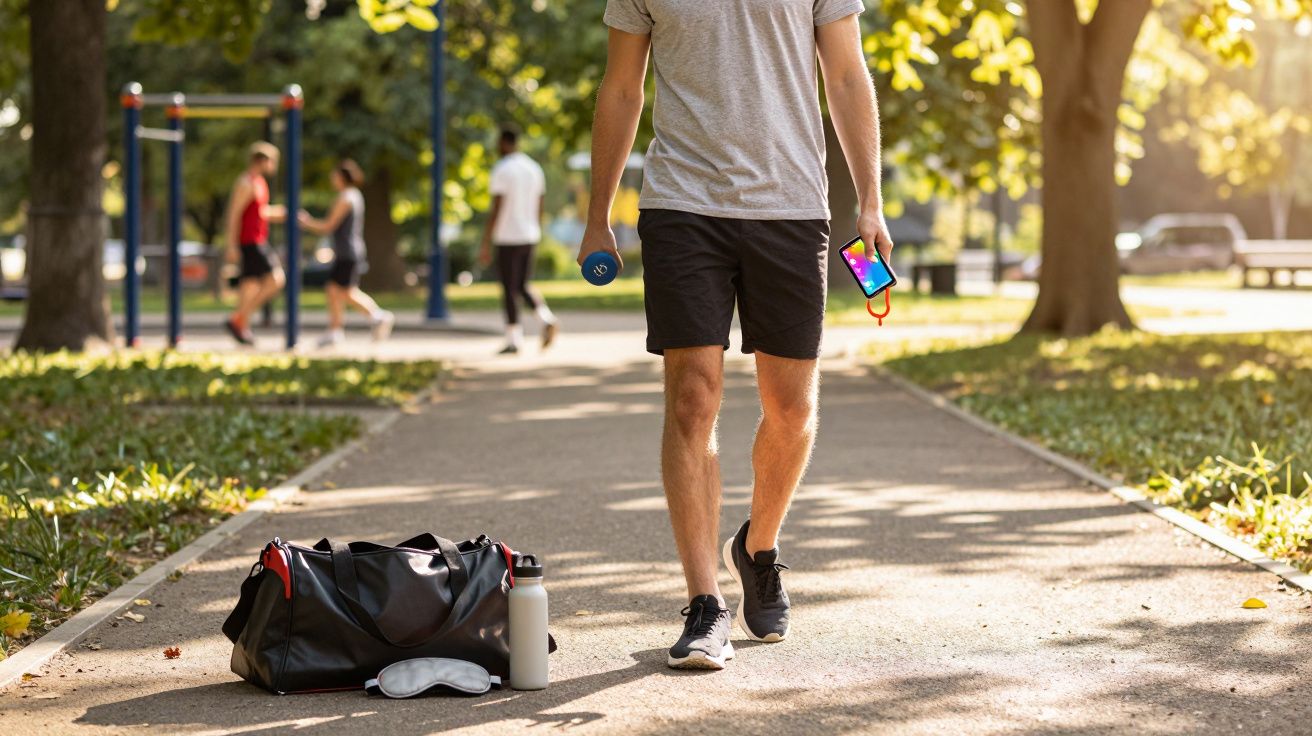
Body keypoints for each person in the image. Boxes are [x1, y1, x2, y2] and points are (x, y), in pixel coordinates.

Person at [580, 1, 895, 669]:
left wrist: (870, 199)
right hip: (682, 204)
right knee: (692, 400)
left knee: (792, 408)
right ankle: (705, 603)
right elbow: (622, 87)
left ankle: (758, 548)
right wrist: (597, 214)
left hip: (792, 206)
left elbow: (846, 74)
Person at [297, 159, 395, 347]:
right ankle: (337, 330)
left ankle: (377, 316)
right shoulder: (354, 195)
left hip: (347, 252)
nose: (332, 179)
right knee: (336, 290)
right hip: (349, 251)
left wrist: (306, 223)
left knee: (343, 290)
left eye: (334, 176)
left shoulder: (346, 197)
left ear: (342, 177)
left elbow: (328, 225)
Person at [479, 128, 559, 355]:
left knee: (509, 288)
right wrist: (537, 229)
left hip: (507, 236)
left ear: (504, 142)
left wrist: (486, 241)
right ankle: (546, 319)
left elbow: (497, 207)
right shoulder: (534, 168)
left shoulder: (502, 169)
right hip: (529, 234)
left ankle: (514, 340)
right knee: (522, 284)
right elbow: (540, 204)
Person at [224, 142, 290, 345]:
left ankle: (242, 326)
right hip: (250, 241)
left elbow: (260, 212)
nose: (274, 166)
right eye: (273, 161)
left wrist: (283, 213)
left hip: (257, 238)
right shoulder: (246, 182)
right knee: (276, 280)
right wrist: (231, 244)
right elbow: (234, 214)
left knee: (249, 285)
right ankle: (238, 318)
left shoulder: (260, 183)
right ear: (262, 160)